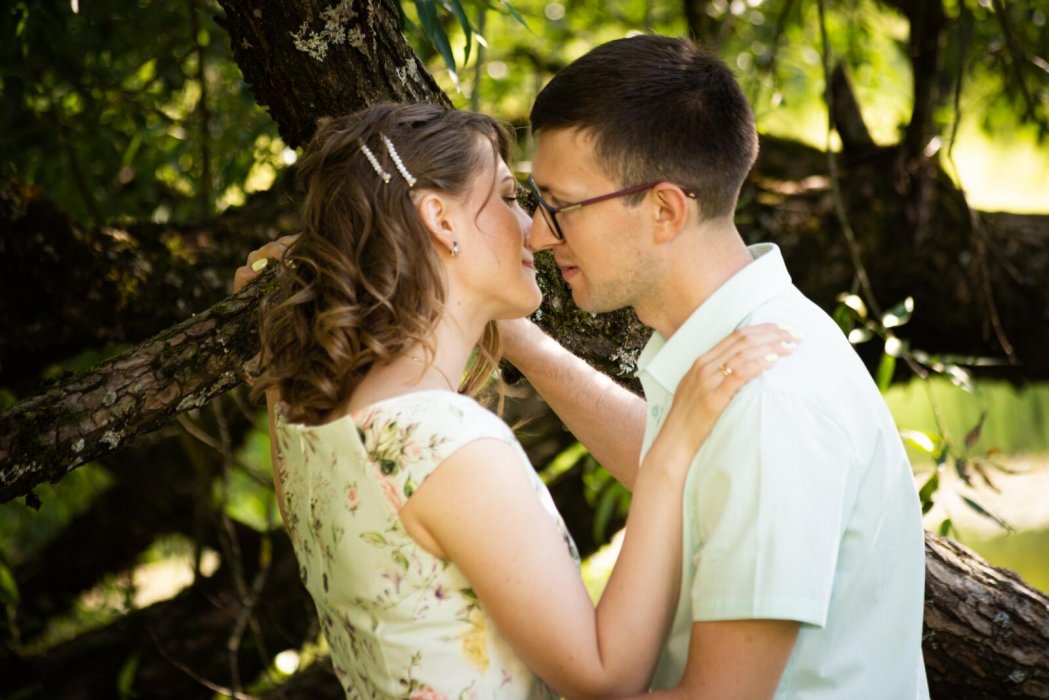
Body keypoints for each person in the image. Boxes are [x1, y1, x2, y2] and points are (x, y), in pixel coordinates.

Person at [234, 101, 794, 699]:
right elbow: (606, 676)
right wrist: (671, 450)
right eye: (506, 197)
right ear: (440, 221)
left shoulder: (297, 416)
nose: (534, 226)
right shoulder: (446, 441)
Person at [510, 35, 930, 697]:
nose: (536, 235)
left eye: (558, 206)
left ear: (664, 210)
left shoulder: (769, 399)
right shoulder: (735, 343)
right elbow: (682, 472)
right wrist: (519, 343)